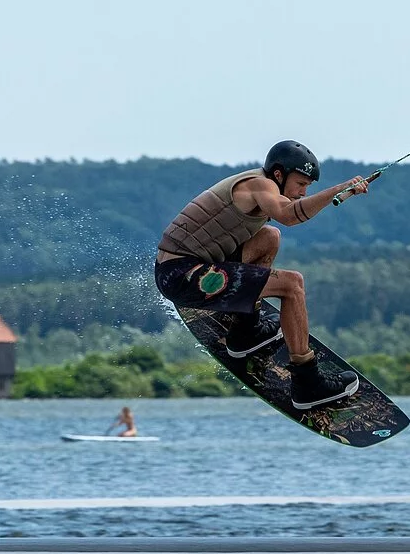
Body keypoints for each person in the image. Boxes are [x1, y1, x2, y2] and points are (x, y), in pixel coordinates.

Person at [154, 140, 372, 410]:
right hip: (182, 275)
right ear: (279, 175)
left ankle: (245, 331)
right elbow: (289, 215)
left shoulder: (264, 184)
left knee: (269, 237)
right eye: (300, 184)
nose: (303, 192)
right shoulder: (259, 185)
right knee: (292, 285)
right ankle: (307, 383)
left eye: (307, 187)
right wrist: (338, 189)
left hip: (188, 266)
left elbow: (282, 219)